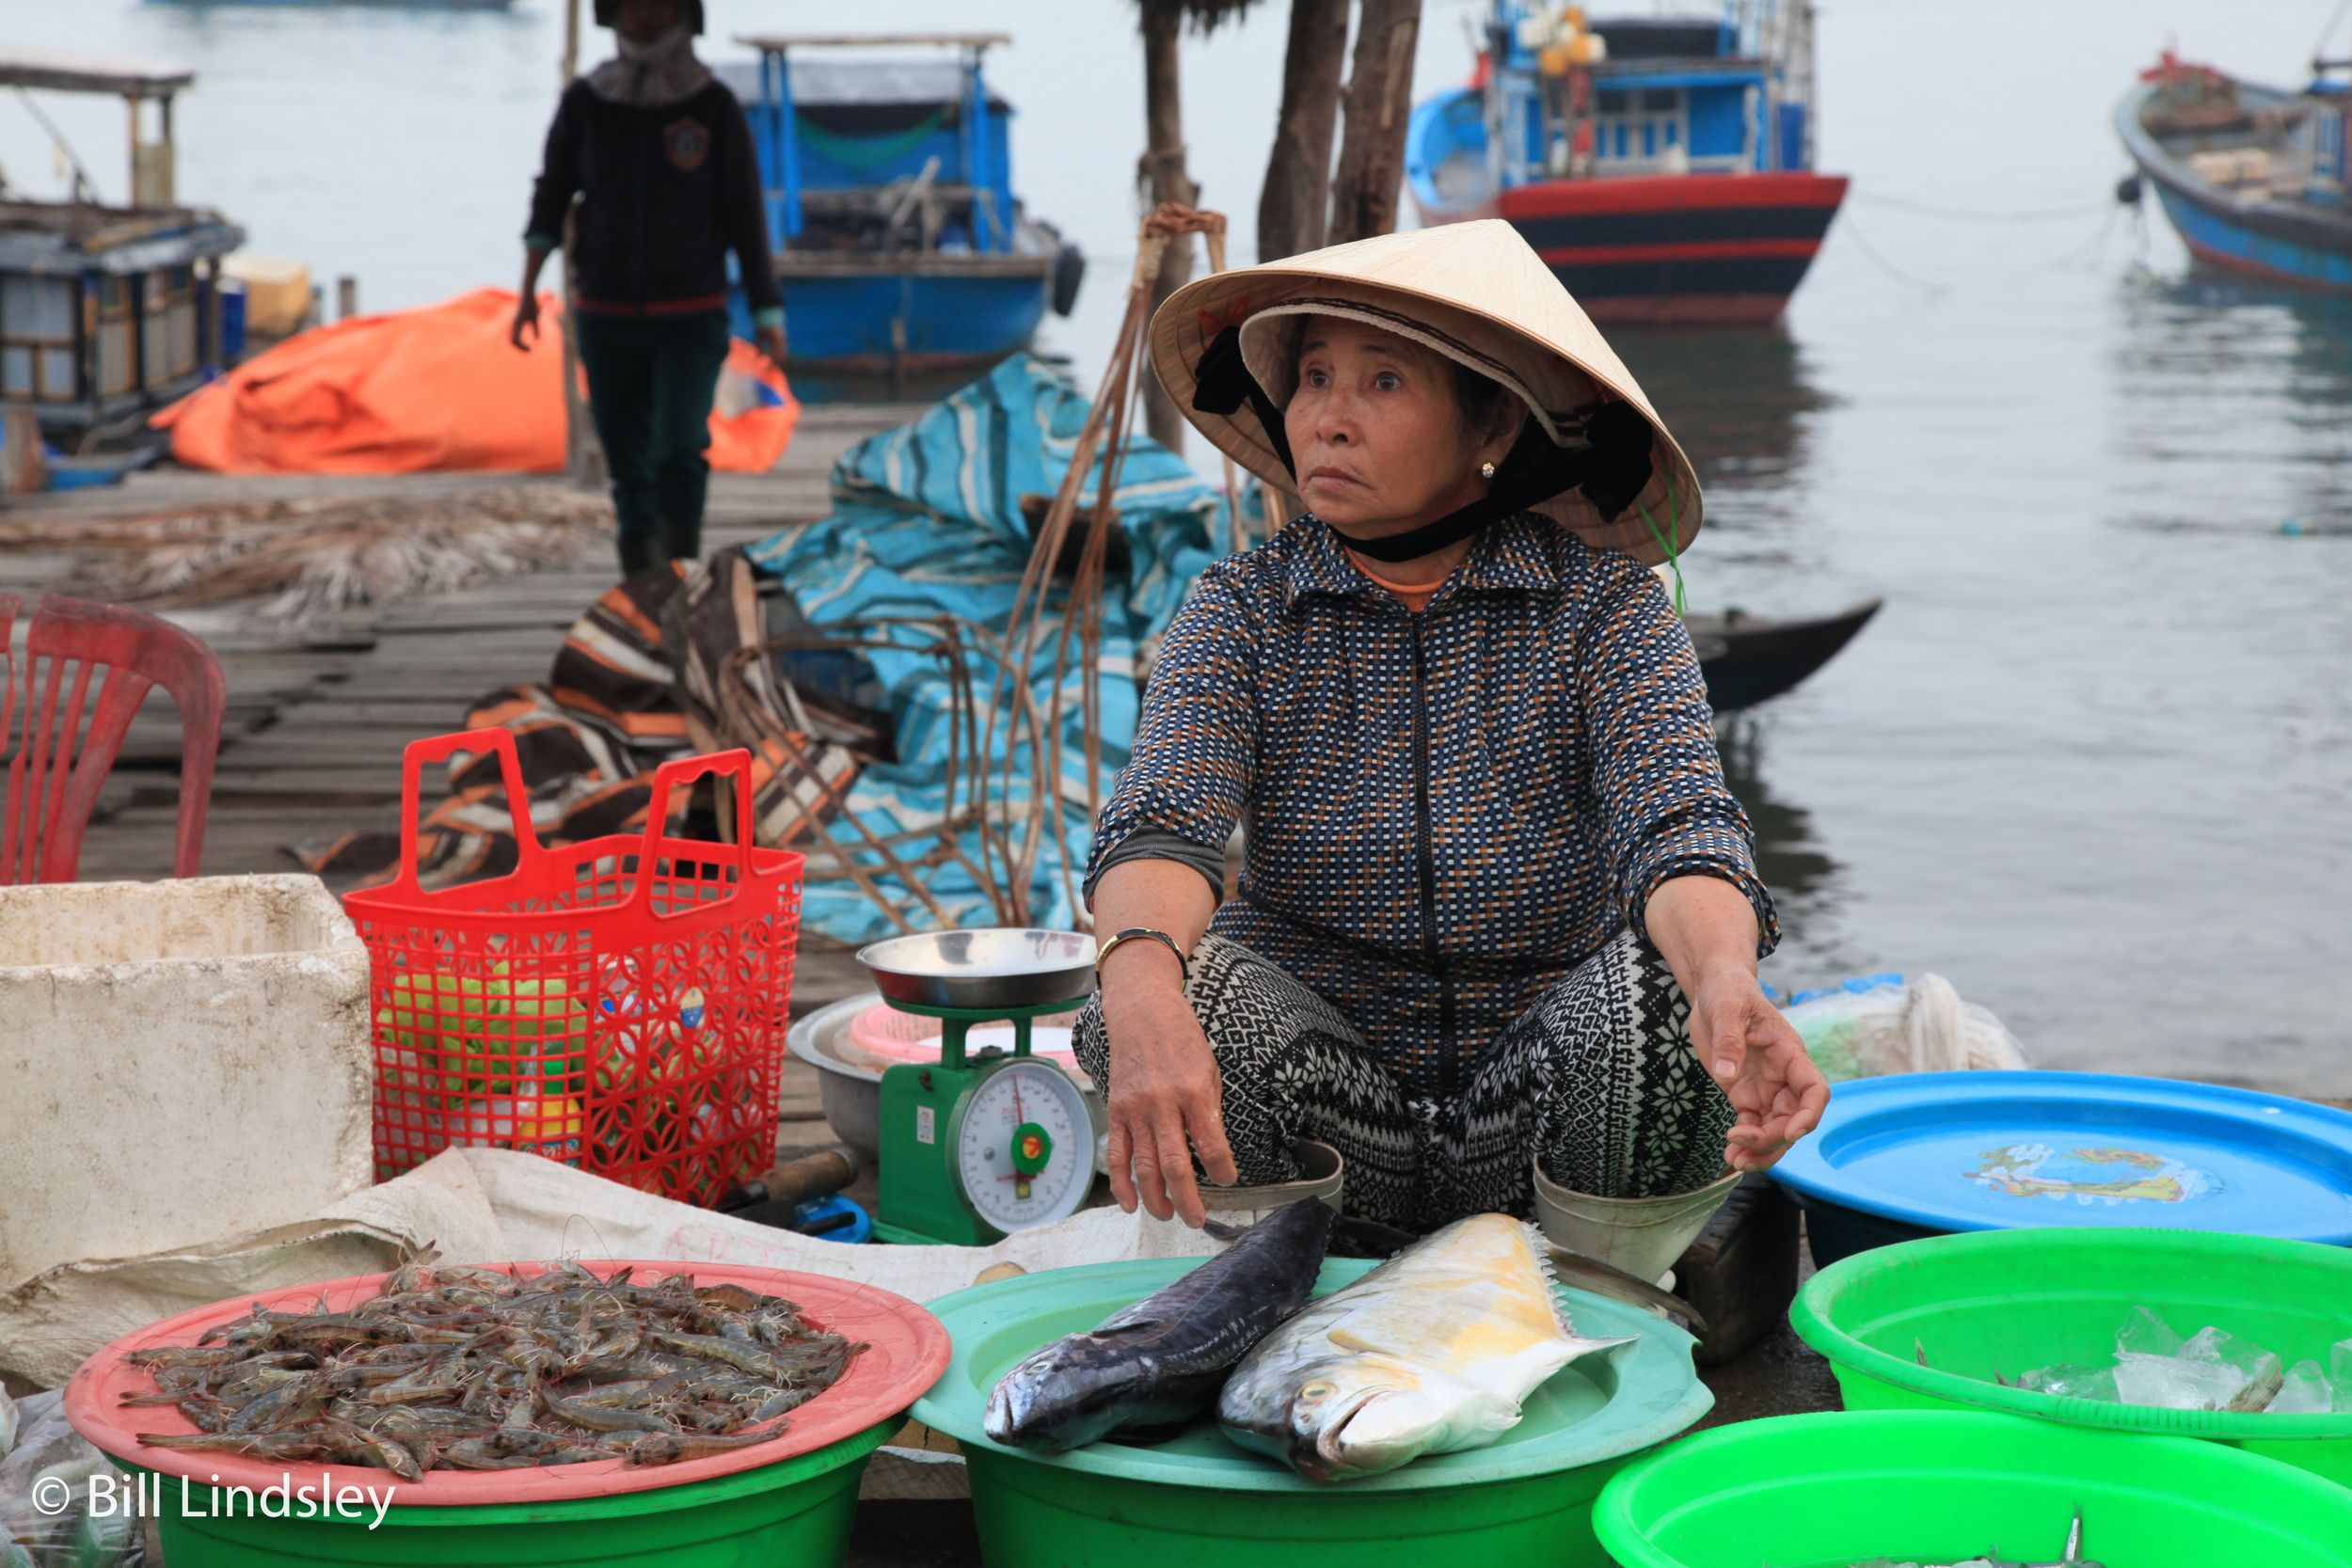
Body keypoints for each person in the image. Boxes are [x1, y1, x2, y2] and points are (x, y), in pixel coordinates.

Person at [1073, 219, 1830, 1235]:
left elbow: (1679, 822)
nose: (1329, 419)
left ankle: (1594, 1285)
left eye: (1382, 383)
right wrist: (1136, 977)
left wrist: (1725, 975)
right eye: (1313, 378)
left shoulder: (1601, 608)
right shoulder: (1243, 608)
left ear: (1492, 433)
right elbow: (1164, 819)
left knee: (1666, 1000)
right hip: (1340, 1125)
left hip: (1537, 1117)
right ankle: (1286, 1274)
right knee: (1152, 990)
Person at [511, 0, 788, 578]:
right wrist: (527, 294)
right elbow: (551, 196)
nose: (645, 10)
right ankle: (642, 589)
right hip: (604, 313)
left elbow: (745, 215)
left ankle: (682, 574)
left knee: (679, 448)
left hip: (691, 315)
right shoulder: (587, 101)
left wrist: (767, 311)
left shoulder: (712, 106)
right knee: (628, 466)